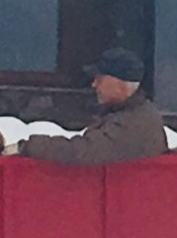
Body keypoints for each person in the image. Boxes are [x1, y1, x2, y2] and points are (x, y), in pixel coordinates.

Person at [10, 48, 166, 165]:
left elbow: (82, 152)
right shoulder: (133, 113)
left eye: (100, 79)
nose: (94, 84)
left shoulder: (134, 123)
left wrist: (28, 146)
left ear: (118, 83)